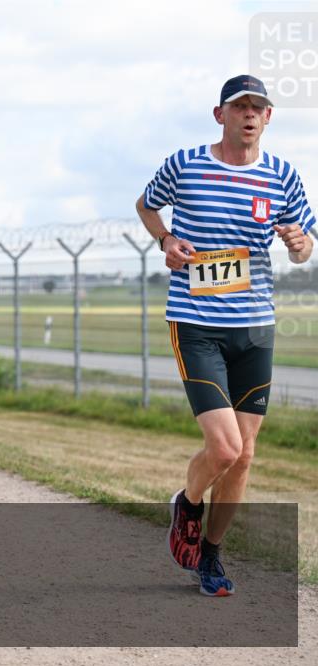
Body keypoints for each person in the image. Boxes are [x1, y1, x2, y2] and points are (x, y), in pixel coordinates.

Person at [136, 75, 315, 597]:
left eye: (259, 107)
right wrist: (166, 238)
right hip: (196, 324)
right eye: (240, 106)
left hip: (255, 326)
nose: (250, 114)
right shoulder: (186, 164)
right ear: (221, 115)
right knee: (224, 447)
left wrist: (300, 243)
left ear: (269, 117)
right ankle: (187, 503)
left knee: (246, 455)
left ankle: (210, 555)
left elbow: (304, 248)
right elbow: (147, 205)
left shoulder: (282, 176)